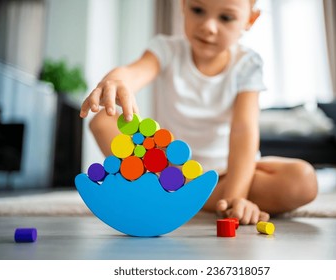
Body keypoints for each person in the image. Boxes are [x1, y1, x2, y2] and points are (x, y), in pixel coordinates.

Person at [80, 0, 318, 225]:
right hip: (168, 169)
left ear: (250, 20)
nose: (208, 27)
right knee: (103, 121)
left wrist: (235, 198)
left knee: (302, 180)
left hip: (226, 176)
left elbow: (244, 130)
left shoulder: (247, 64)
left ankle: (182, 197)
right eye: (198, 10)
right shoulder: (166, 49)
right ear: (183, 4)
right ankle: (177, 192)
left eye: (226, 17)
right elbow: (134, 72)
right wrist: (114, 82)